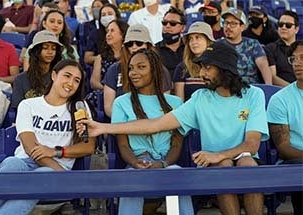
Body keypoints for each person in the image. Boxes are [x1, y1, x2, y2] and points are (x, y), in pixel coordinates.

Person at [79, 41, 269, 215]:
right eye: (201, 67)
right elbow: (154, 125)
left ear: (226, 69)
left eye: (207, 68)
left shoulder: (253, 95)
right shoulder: (200, 98)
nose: (201, 73)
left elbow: (251, 145)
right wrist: (102, 128)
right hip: (216, 164)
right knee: (224, 166)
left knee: (247, 163)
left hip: (238, 157)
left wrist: (218, 155)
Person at [0, 59, 96, 215]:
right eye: (67, 76)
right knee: (10, 164)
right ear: (54, 75)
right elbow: (30, 148)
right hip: (26, 162)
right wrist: (61, 172)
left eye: (76, 80)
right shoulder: (29, 105)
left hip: (54, 168)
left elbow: (88, 146)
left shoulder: (79, 107)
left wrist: (56, 152)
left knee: (39, 177)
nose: (71, 83)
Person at [109, 48, 194, 215]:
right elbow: (123, 145)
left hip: (166, 162)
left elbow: (177, 144)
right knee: (132, 179)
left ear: (154, 70)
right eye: (131, 68)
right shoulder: (121, 103)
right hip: (138, 162)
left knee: (178, 175)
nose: (134, 72)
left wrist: (164, 163)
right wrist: (135, 163)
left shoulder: (175, 102)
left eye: (141, 67)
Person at [103, 24, 172, 117]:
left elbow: (164, 104)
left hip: (153, 122)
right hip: (123, 122)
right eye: (130, 44)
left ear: (148, 46)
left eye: (139, 43)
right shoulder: (114, 69)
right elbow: (109, 108)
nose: (134, 47)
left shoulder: (161, 71)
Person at [266, 40, 303, 215]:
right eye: (293, 59)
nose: (297, 63)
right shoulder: (280, 99)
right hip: (297, 159)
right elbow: (283, 148)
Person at [11, 30, 63, 108]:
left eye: (53, 49)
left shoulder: (59, 78)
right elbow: (17, 109)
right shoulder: (20, 80)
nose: (50, 52)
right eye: (45, 48)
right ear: (36, 51)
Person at [221, 8, 272, 85]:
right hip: (226, 87)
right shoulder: (217, 45)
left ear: (242, 27)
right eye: (226, 23)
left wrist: (268, 86)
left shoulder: (252, 44)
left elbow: (263, 65)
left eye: (233, 24)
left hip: (250, 88)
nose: (228, 26)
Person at [173, 21, 214, 101]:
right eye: (190, 39)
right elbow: (179, 102)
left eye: (198, 37)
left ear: (208, 40)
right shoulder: (182, 68)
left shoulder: (218, 67)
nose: (193, 42)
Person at [90, 19, 128, 90]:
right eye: (107, 31)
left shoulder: (130, 55)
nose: (108, 34)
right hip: (104, 93)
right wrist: (109, 90)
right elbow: (94, 82)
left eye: (112, 31)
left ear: (122, 34)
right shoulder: (100, 58)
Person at [265, 10, 300, 87]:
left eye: (288, 25)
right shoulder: (270, 48)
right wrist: (293, 89)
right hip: (282, 92)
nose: (283, 27)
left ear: (296, 29)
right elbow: (273, 77)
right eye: (280, 25)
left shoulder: (301, 49)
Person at [156, 6, 186, 78]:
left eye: (173, 23)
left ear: (183, 28)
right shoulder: (154, 50)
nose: (167, 26)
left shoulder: (189, 48)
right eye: (164, 23)